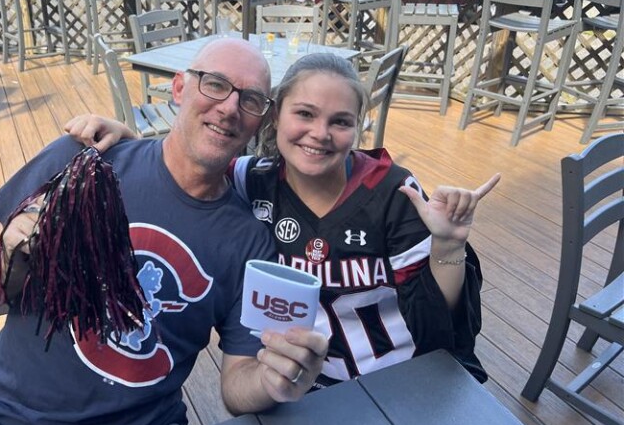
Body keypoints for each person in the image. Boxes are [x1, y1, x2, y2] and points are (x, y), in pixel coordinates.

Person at [0, 38, 329, 425]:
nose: (229, 107)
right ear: (179, 88)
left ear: (259, 120)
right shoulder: (84, 159)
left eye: (249, 99)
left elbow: (236, 384)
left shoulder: (248, 241)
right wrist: (7, 255)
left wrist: (272, 380)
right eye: (215, 84)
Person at [66, 52, 500, 388]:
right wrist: (130, 141)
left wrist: (447, 246)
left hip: (403, 378)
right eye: (305, 114)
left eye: (340, 122)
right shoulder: (251, 179)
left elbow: (439, 325)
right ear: (275, 117)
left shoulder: (393, 191)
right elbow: (186, 162)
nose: (320, 133)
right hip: (309, 386)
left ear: (357, 129)